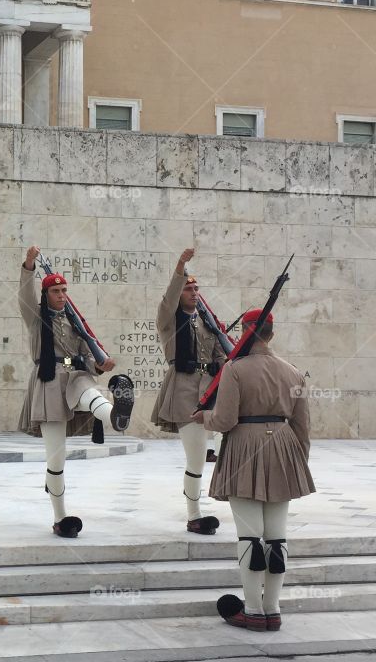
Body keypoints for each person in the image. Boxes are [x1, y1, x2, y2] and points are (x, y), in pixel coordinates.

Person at [192, 309, 314, 631]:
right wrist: (297, 460)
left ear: (244, 333)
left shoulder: (234, 369)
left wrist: (203, 417)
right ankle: (272, 610)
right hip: (284, 447)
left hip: (245, 445)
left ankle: (253, 610)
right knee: (276, 538)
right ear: (271, 334)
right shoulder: (294, 373)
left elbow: (225, 420)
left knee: (249, 536)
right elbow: (302, 428)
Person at [18, 246, 134, 538]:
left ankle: (117, 416)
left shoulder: (75, 324)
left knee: (92, 393)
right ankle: (60, 517)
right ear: (47, 295)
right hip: (49, 380)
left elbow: (88, 355)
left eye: (64, 290)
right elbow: (25, 295)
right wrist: (29, 266)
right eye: (56, 291)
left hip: (76, 375)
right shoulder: (36, 317)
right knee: (56, 459)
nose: (61, 295)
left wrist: (101, 364)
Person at [152, 248, 226, 535]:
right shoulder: (168, 320)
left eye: (196, 288)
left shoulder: (208, 323)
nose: (194, 293)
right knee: (196, 456)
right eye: (188, 288)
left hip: (212, 389)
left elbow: (221, 353)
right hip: (183, 389)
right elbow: (168, 299)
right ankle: (194, 515)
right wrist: (180, 266)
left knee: (227, 437)